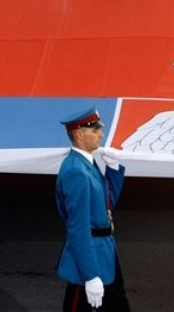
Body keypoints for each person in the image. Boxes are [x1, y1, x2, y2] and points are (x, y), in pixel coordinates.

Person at [55, 106, 130, 311]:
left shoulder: (87, 164)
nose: (101, 134)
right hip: (90, 258)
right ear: (80, 134)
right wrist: (90, 275)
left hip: (105, 251)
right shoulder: (76, 171)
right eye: (95, 130)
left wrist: (113, 169)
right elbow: (78, 228)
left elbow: (105, 206)